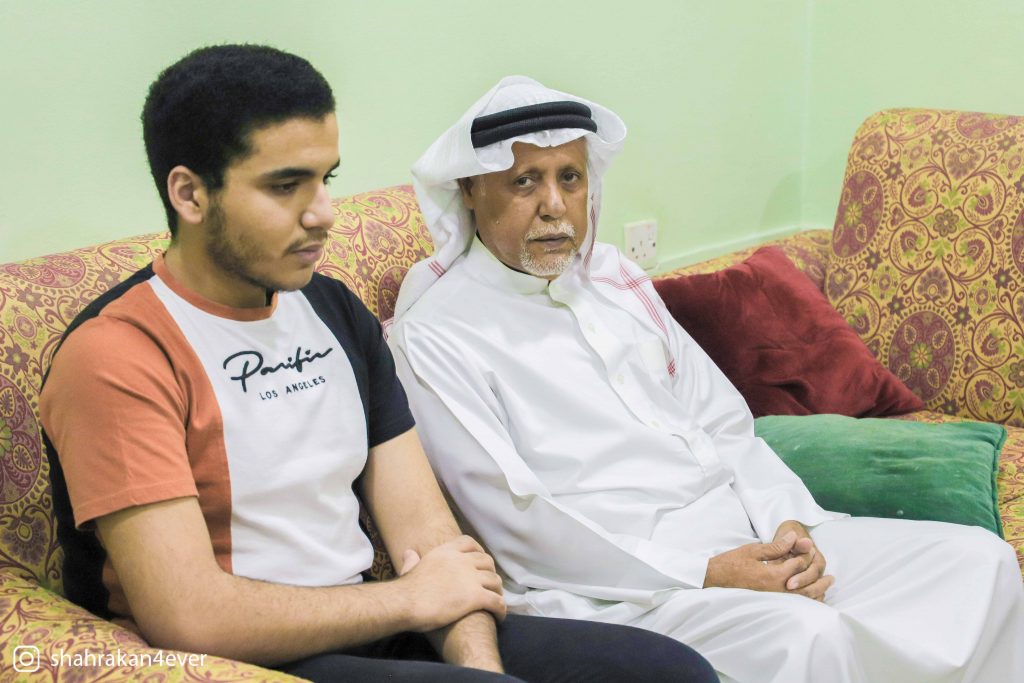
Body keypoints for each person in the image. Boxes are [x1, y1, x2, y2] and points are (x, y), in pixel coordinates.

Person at [38, 47, 717, 683]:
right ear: (190, 195)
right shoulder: (118, 353)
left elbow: (428, 538)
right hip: (248, 660)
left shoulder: (332, 308)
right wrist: (409, 600)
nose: (323, 214)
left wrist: (478, 667)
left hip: (380, 627)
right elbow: (190, 615)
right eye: (286, 186)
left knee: (670, 671)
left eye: (325, 179)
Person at [388, 75, 1024, 683]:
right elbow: (519, 524)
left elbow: (723, 424)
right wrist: (708, 570)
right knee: (807, 634)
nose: (554, 206)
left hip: (742, 536)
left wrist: (787, 524)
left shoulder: (615, 282)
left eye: (570, 178)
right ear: (470, 189)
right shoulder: (437, 334)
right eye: (525, 181)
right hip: (619, 588)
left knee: (978, 562)